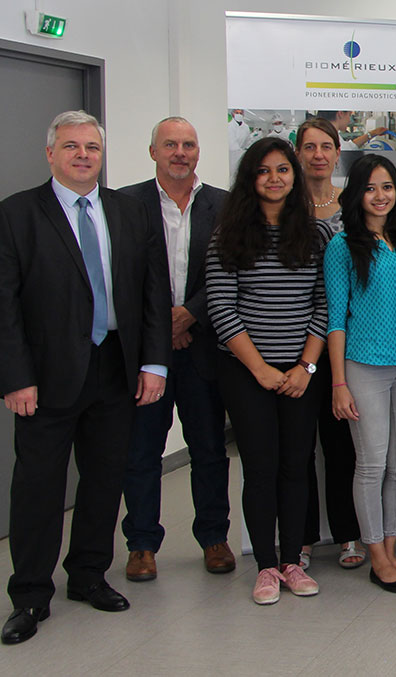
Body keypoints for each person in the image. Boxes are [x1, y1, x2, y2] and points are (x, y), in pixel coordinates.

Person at [0, 111, 169, 645]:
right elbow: (3, 306)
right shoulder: (17, 214)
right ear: (50, 153)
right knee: (38, 488)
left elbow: (152, 294)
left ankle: (88, 576)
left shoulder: (129, 212)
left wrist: (154, 363)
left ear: (103, 154)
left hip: (115, 368)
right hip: (44, 378)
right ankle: (29, 595)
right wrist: (15, 377)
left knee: (104, 480)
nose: (82, 155)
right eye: (71, 146)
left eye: (91, 147)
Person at [205, 137, 328, 605]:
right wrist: (258, 369)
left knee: (296, 466)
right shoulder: (229, 234)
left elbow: (324, 304)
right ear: (249, 178)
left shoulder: (314, 235)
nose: (274, 178)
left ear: (294, 177)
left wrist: (305, 366)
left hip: (301, 372)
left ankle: (293, 560)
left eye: (282, 169)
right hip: (245, 370)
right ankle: (265, 566)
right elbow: (222, 306)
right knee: (260, 468)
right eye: (263, 171)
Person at [118, 117, 234, 583]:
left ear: (198, 152)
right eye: (170, 145)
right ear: (153, 153)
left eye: (188, 145)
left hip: (203, 345)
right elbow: (121, 274)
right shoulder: (126, 203)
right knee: (142, 450)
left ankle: (213, 537)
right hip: (148, 350)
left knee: (209, 447)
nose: (180, 153)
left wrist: (189, 314)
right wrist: (162, 324)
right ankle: (142, 544)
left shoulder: (223, 206)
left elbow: (231, 270)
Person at [323, 155, 396, 593]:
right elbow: (335, 318)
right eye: (370, 188)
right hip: (362, 368)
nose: (380, 196)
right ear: (356, 195)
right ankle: (376, 556)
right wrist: (338, 382)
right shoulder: (342, 245)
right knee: (371, 464)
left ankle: (391, 547)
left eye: (387, 187)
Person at [294, 117, 364, 570]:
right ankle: (300, 538)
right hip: (294, 344)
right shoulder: (283, 204)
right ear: (297, 153)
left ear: (338, 153)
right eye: (309, 147)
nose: (318, 154)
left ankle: (347, 535)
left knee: (341, 446)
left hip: (343, 343)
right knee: (299, 448)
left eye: (327, 146)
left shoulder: (353, 209)